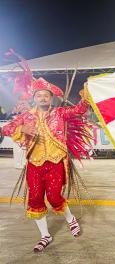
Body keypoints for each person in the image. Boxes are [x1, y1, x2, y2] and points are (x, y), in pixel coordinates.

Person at [0, 77, 90, 252]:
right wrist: (22, 129)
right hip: (34, 163)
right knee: (34, 199)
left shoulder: (60, 113)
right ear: (34, 98)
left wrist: (86, 94)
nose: (42, 98)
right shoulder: (26, 116)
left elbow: (79, 110)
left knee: (55, 197)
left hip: (56, 162)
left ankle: (71, 219)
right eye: (39, 95)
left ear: (51, 98)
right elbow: (5, 129)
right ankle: (45, 236)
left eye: (46, 96)